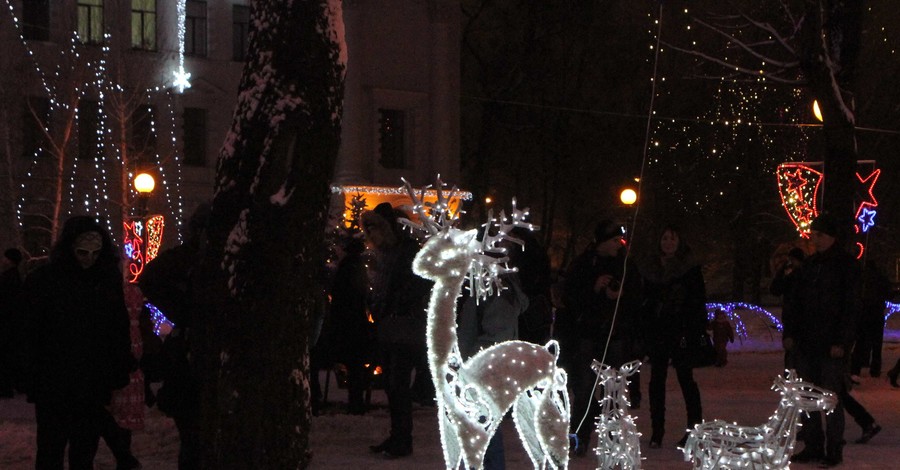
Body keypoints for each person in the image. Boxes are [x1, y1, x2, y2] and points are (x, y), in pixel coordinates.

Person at [20, 216, 133, 470]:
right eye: (83, 252)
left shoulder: (102, 280)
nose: (88, 258)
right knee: (54, 447)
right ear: (70, 249)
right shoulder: (48, 281)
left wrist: (118, 365)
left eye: (95, 253)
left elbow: (118, 325)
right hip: (58, 378)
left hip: (84, 378)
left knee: (81, 448)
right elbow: (29, 330)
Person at [139, 204, 210, 470]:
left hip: (203, 353)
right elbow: (151, 279)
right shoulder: (186, 259)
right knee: (192, 435)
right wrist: (182, 309)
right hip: (190, 356)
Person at [785, 213, 858, 467]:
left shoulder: (845, 265)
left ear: (831, 236)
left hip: (830, 343)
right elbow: (795, 302)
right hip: (807, 341)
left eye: (819, 234)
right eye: (813, 234)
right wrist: (791, 333)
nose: (814, 238)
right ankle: (813, 445)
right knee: (808, 396)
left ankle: (833, 448)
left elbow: (849, 307)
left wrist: (842, 341)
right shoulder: (810, 265)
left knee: (829, 398)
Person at [564, 219, 643, 455]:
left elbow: (637, 297)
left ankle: (613, 440)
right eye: (613, 240)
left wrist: (620, 294)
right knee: (585, 389)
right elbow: (570, 297)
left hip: (615, 334)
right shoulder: (584, 263)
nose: (618, 245)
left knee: (613, 390)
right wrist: (594, 287)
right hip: (588, 333)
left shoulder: (626, 264)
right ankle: (578, 439)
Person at [362, 203, 431, 458]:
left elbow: (419, 283)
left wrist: (398, 303)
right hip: (389, 326)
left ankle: (403, 440)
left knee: (398, 383)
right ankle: (397, 436)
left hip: (404, 326)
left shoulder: (407, 251)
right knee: (392, 385)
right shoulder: (386, 253)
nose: (371, 234)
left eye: (375, 228)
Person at [457, 257, 529, 470]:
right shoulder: (492, 290)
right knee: (484, 424)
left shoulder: (494, 292)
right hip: (489, 365)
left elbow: (494, 336)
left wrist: (470, 361)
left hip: (485, 367)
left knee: (484, 424)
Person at [639, 224, 707, 449]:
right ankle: (657, 431)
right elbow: (644, 300)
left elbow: (697, 302)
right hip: (658, 331)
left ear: (680, 242)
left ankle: (694, 429)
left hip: (682, 331)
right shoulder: (651, 268)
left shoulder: (689, 268)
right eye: (665, 238)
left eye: (673, 239)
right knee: (656, 381)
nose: (668, 243)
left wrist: (693, 328)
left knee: (686, 380)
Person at [325, 236, 373, 415]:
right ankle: (356, 401)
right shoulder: (355, 266)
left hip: (347, 321)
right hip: (353, 321)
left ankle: (356, 401)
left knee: (354, 364)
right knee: (356, 365)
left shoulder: (347, 266)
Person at [851, 262, 890, 378]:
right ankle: (875, 369)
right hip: (876, 312)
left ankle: (856, 368)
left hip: (865, 312)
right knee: (876, 343)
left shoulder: (863, 279)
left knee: (862, 341)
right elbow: (888, 293)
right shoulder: (880, 279)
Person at [770, 247, 805, 369]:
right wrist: (782, 275)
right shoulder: (787, 274)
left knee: (799, 350)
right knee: (790, 349)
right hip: (790, 316)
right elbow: (775, 290)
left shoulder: (804, 274)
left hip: (801, 316)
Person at [0, 248, 25, 398]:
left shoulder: (7, 279)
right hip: (11, 324)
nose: (3, 261)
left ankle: (5, 387)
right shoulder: (15, 277)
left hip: (6, 323)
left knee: (5, 357)